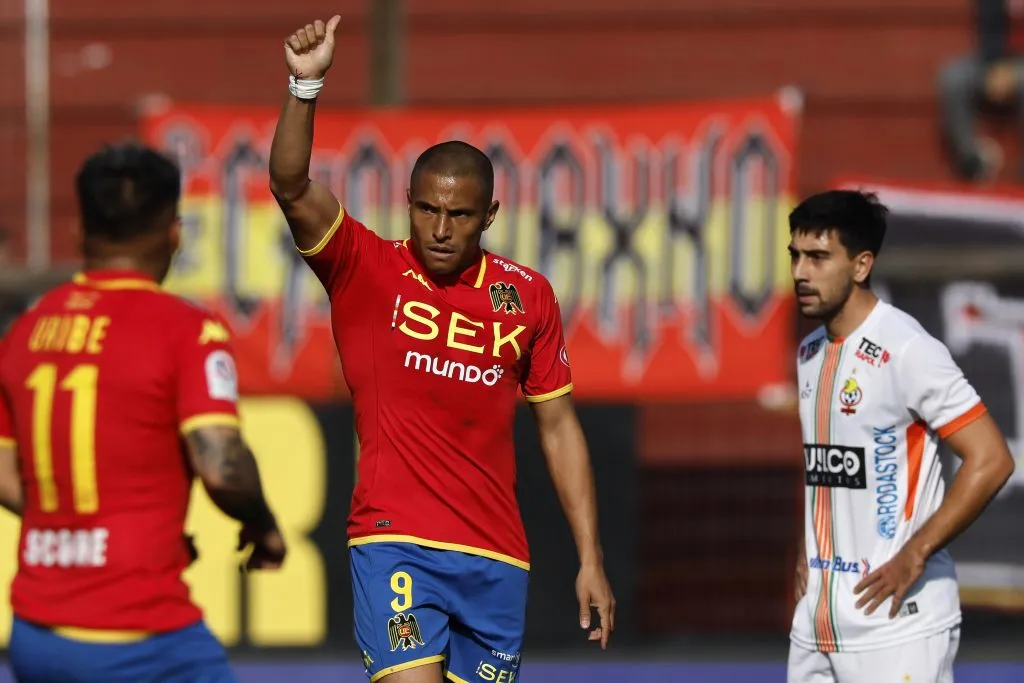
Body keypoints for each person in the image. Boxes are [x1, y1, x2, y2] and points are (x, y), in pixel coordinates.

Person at [269, 16, 615, 683]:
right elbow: (290, 184)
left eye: (458, 215)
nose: (439, 227)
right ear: (408, 203)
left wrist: (589, 557)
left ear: (489, 215)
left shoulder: (528, 296)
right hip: (394, 541)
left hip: (496, 558)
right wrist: (304, 85)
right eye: (426, 209)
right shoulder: (364, 267)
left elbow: (559, 426)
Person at [0, 142, 286, 683]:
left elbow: (6, 474)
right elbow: (222, 467)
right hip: (140, 638)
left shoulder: (26, 331)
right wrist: (263, 524)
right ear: (174, 232)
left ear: (80, 233)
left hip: (36, 633)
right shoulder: (185, 330)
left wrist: (85, 526)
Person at [786, 190, 1015, 682]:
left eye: (819, 257)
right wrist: (808, 555)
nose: (801, 273)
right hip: (819, 623)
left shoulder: (907, 349)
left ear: (862, 265)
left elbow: (992, 459)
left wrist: (916, 552)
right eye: (796, 256)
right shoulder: (809, 351)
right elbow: (827, 468)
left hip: (896, 624)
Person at [938, 0, 1024, 182]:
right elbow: (988, 29)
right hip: (995, 60)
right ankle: (971, 161)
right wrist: (996, 65)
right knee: (954, 77)